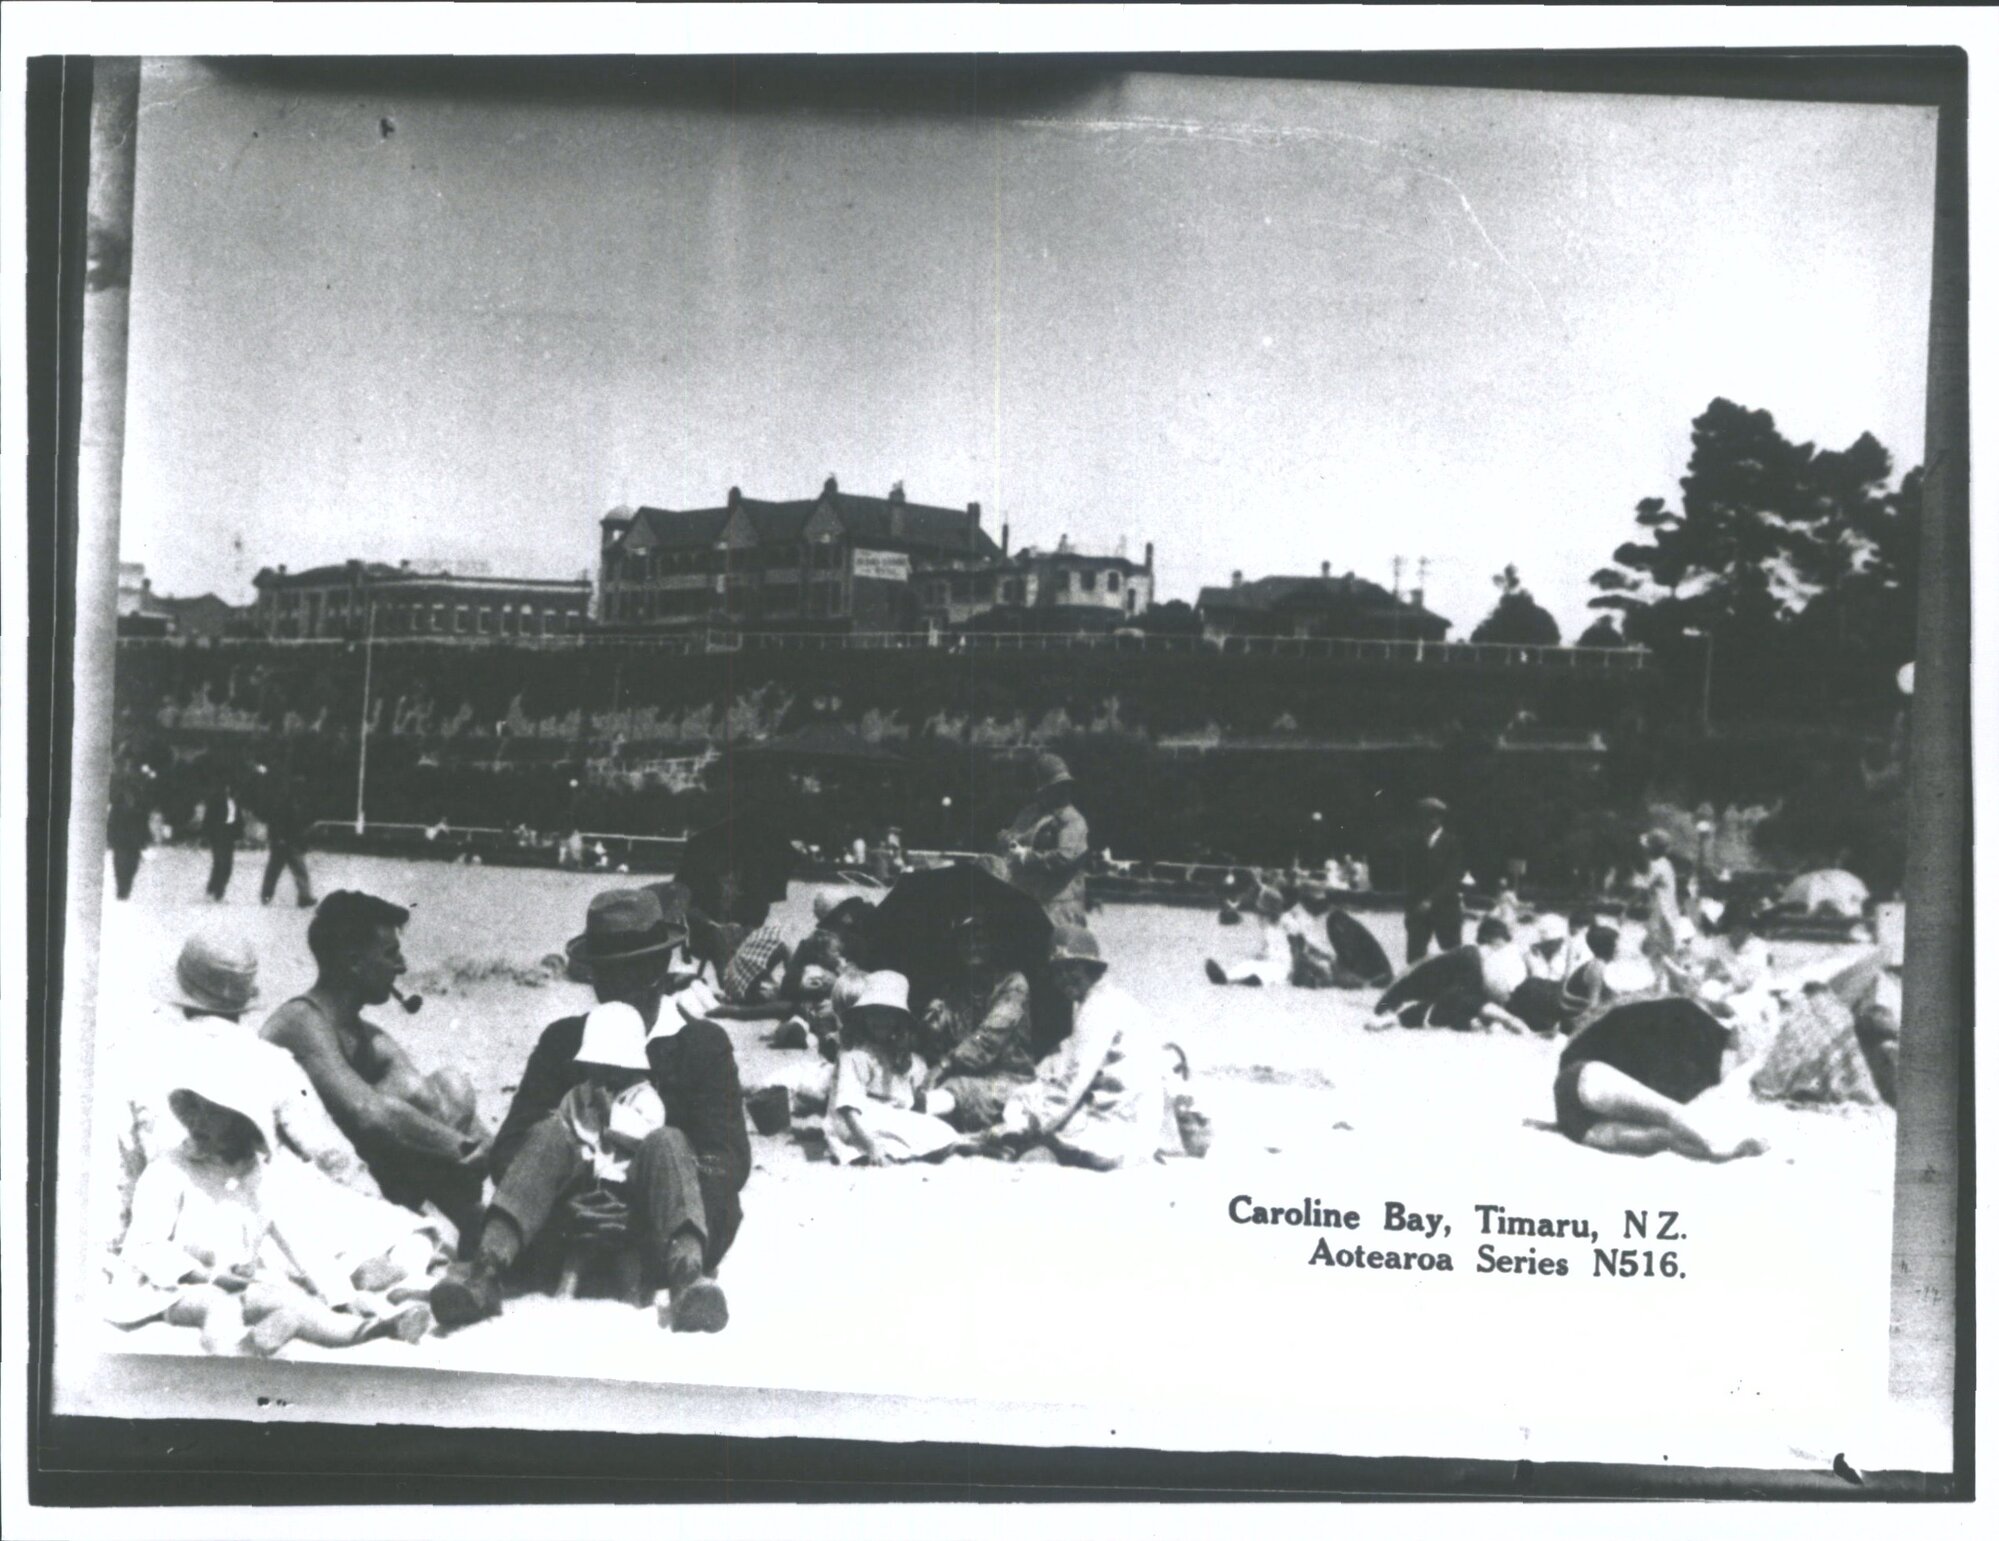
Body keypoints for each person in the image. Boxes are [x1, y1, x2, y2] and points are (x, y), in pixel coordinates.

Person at [433, 888, 749, 1333]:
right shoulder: (565, 1041)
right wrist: (566, 1209)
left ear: (661, 968)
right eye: (607, 974)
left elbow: (728, 1161)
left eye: (633, 972)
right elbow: (511, 1149)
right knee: (547, 1134)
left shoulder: (700, 1044)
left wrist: (641, 1211)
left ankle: (687, 1279)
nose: (617, 987)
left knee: (669, 1142)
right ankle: (485, 1272)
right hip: (569, 1222)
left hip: (667, 1218)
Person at [107, 1055, 434, 1355]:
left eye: (213, 1113)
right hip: (173, 1287)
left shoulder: (261, 1178)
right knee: (219, 1307)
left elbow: (301, 1246)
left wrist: (344, 1297)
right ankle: (235, 1351)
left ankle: (371, 1329)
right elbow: (145, 1246)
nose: (199, 1122)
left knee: (293, 1302)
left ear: (241, 1124)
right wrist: (204, 1275)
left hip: (239, 1283)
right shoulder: (170, 1169)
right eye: (194, 1110)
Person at [107, 930, 389, 1253]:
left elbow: (124, 1172)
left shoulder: (139, 1058)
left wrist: (124, 1242)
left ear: (182, 987)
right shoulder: (271, 1061)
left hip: (171, 1228)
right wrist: (375, 1208)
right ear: (244, 999)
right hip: (255, 1230)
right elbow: (330, 1154)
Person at [260, 892, 491, 1247]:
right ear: (354, 962)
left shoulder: (360, 1032)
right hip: (308, 1187)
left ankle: (494, 1222)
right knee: (405, 1106)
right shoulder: (300, 1022)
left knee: (450, 1085)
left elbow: (430, 1101)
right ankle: (483, 1228)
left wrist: (491, 1149)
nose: (401, 967)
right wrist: (464, 1149)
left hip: (358, 1177)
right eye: (390, 954)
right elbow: (368, 1115)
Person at [968, 925, 1187, 1170]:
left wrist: (1029, 1124)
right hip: (1138, 1123)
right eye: (1058, 972)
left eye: (1072, 969)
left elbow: (1073, 1083)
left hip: (1120, 1130)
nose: (1063, 979)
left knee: (1028, 1115)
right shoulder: (1109, 1000)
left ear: (1090, 967)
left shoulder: (1099, 1009)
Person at [1552, 996, 1771, 1160]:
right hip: (1583, 1097)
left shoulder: (1583, 1124)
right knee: (1666, 1126)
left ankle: (1718, 1147)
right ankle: (1718, 1145)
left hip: (1578, 1106)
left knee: (1665, 1130)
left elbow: (1657, 1136)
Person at [918, 912, 1037, 1132]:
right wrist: (932, 1029)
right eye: (965, 940)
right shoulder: (954, 991)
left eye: (980, 939)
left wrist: (944, 1065)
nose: (973, 947)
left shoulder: (1013, 984)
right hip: (964, 1077)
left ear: (993, 943)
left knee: (950, 1091)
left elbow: (987, 1040)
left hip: (1008, 1079)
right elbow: (939, 1045)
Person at [827, 972, 959, 1165]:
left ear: (899, 1019)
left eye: (889, 1014)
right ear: (863, 1015)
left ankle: (967, 1142)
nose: (881, 1020)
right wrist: (871, 1146)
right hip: (856, 1121)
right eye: (874, 1012)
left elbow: (901, 1095)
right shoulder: (853, 1055)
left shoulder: (890, 1049)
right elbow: (848, 1108)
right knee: (920, 1132)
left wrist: (903, 1064)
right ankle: (960, 1143)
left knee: (939, 1125)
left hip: (886, 1112)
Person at [1365, 918, 1534, 1033]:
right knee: (1464, 999)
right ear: (1494, 939)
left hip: (1399, 996)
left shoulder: (1470, 954)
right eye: (1503, 941)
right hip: (1400, 1002)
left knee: (1467, 1000)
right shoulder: (1471, 957)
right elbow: (1455, 997)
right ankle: (1398, 1018)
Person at [998, 752, 1090, 928]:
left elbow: (1064, 857)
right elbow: (1011, 837)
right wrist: (1007, 841)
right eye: (1057, 786)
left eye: (1065, 786)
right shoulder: (1029, 813)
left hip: (1059, 910)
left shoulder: (1072, 820)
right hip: (1025, 903)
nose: (1063, 791)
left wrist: (1026, 856)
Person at [1401, 797, 1465, 963]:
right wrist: (1409, 909)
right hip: (1418, 909)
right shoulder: (1414, 843)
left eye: (1430, 816)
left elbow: (1453, 878)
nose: (1426, 821)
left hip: (1446, 908)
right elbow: (1410, 878)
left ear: (1438, 818)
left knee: (1453, 955)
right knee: (1414, 957)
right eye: (1422, 817)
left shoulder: (1452, 843)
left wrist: (1431, 900)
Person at [253, 766, 317, 909]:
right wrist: (278, 837)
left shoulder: (295, 802)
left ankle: (301, 896)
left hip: (290, 841)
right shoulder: (286, 801)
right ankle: (269, 895)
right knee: (278, 870)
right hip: (283, 841)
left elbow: (300, 824)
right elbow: (276, 821)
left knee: (284, 870)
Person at [1204, 877, 1288, 986]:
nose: (1259, 914)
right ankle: (1227, 978)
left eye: (1262, 910)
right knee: (1248, 965)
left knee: (1266, 973)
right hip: (1269, 961)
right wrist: (1261, 955)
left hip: (1282, 967)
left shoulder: (1286, 923)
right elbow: (1268, 947)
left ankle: (1242, 981)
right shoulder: (1268, 927)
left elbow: (1297, 948)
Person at [1635, 829, 1683, 974]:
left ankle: (1662, 977)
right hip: (1666, 908)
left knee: (1658, 945)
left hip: (1662, 910)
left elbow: (1642, 886)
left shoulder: (1657, 866)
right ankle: (1664, 976)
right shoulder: (1664, 863)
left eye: (1647, 848)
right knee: (1664, 944)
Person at [107, 762, 153, 901]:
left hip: (131, 833)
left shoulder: (140, 795)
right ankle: (123, 887)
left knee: (128, 863)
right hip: (125, 832)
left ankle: (124, 887)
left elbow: (144, 817)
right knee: (124, 862)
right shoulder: (119, 796)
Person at [202, 775, 244, 903]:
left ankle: (215, 890)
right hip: (218, 835)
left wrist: (239, 834)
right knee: (220, 863)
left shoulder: (234, 802)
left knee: (227, 865)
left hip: (229, 835)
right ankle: (216, 892)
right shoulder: (216, 800)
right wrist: (207, 835)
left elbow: (238, 819)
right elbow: (208, 819)